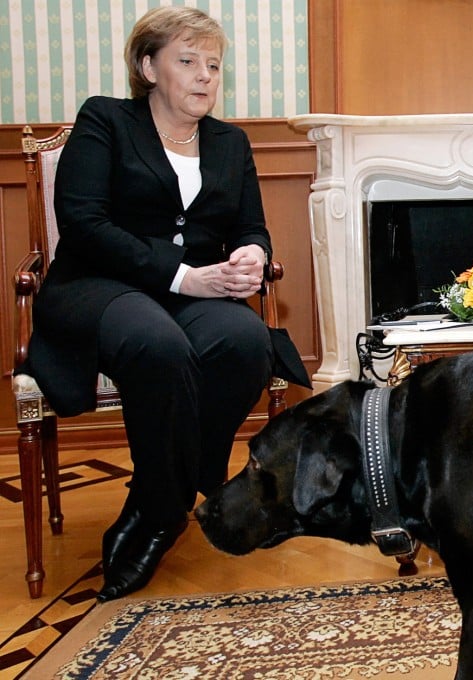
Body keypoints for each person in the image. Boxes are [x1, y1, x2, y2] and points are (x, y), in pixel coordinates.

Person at [17, 6, 309, 601]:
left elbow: (251, 226)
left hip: (190, 292)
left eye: (214, 65)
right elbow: (82, 223)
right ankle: (165, 509)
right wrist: (182, 277)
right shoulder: (106, 120)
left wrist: (252, 254)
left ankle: (158, 502)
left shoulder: (230, 143)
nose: (204, 76)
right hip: (101, 286)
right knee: (157, 343)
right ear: (148, 66)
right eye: (188, 61)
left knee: (247, 342)